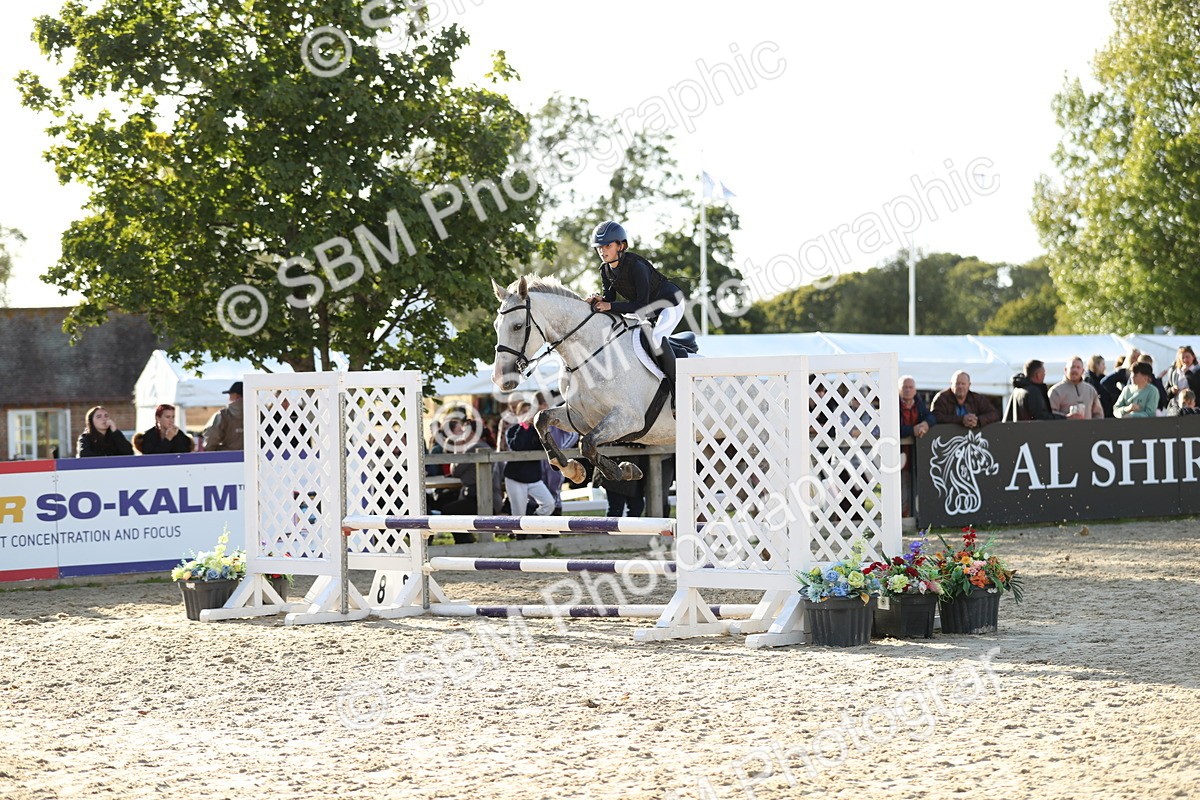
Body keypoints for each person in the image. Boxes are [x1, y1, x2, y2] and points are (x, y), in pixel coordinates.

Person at [584, 220, 685, 402]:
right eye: (599, 247)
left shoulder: (636, 266)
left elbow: (641, 305)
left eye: (608, 245)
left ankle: (678, 391)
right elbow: (611, 298)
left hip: (670, 303)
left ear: (621, 245)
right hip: (647, 309)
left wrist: (610, 306)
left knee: (656, 338)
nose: (602, 250)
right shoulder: (605, 269)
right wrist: (600, 299)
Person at [433, 416, 494, 543]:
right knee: (447, 501)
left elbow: (455, 472)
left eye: (463, 432)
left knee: (447, 510)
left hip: (480, 498)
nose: (461, 435)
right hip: (481, 495)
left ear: (472, 433)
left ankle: (464, 541)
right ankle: (465, 538)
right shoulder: (481, 444)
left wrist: (457, 448)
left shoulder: (472, 448)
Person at [503, 399, 555, 517]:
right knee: (518, 513)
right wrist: (524, 427)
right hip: (515, 477)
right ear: (518, 414)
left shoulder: (537, 430)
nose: (527, 414)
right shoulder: (512, 430)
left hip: (533, 477)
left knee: (549, 503)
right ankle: (520, 535)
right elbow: (517, 446)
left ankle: (533, 522)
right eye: (523, 412)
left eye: (529, 412)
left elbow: (545, 445)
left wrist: (541, 427)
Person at [537, 392, 580, 515]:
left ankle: (556, 511)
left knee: (554, 486)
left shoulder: (555, 417)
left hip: (556, 459)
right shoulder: (538, 421)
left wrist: (558, 450)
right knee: (542, 488)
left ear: (544, 404)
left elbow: (573, 434)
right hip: (540, 459)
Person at [897, 376, 934, 518]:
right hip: (898, 456)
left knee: (915, 489)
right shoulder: (893, 406)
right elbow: (892, 428)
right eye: (904, 387)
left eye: (910, 387)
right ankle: (902, 520)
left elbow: (932, 417)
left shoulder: (919, 404)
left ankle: (914, 517)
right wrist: (911, 430)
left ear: (915, 390)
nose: (907, 390)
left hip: (916, 456)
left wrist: (925, 424)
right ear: (899, 389)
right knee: (901, 490)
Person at [931, 371, 1001, 429]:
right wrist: (961, 420)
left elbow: (994, 414)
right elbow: (936, 417)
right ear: (951, 384)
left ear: (969, 385)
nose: (960, 387)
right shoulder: (941, 398)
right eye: (957, 384)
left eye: (963, 384)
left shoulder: (977, 398)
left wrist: (977, 420)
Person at [203, 381, 245, 451]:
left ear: (236, 395)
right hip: (255, 457)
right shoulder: (259, 414)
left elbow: (212, 436)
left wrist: (210, 451)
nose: (229, 399)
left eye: (230, 395)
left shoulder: (222, 414)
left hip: (226, 457)